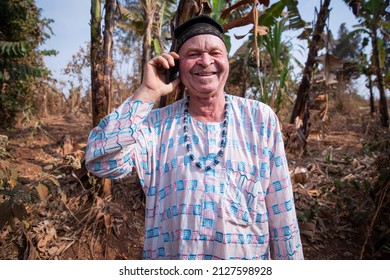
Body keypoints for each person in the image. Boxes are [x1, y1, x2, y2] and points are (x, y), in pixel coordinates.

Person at [85, 15, 304, 260]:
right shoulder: (156, 126)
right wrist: (147, 93)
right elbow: (100, 161)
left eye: (215, 52)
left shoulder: (259, 119)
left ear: (227, 61)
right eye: (193, 54)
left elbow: (282, 213)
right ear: (177, 66)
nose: (206, 61)